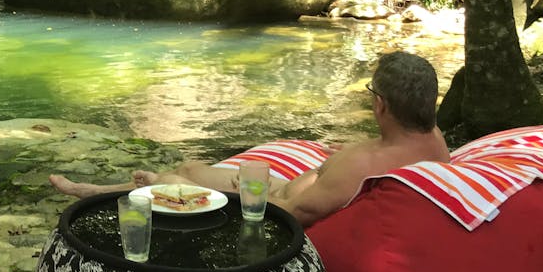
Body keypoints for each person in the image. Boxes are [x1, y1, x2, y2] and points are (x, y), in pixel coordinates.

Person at [49, 50, 450, 227]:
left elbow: (289, 218)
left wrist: (248, 195)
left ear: (380, 105)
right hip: (294, 188)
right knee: (190, 165)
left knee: (178, 179)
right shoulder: (431, 138)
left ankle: (153, 188)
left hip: (274, 208)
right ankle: (95, 191)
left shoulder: (360, 169)